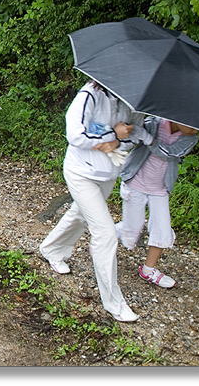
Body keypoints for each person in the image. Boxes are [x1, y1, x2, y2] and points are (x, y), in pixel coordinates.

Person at [39, 80, 147, 322]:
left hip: (108, 173)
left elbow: (136, 135)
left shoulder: (134, 100)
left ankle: (51, 249)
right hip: (80, 172)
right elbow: (74, 134)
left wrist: (118, 141)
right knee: (105, 233)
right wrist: (112, 134)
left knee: (80, 215)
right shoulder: (90, 94)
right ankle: (114, 303)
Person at [114, 117, 199, 289]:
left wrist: (149, 139)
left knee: (162, 229)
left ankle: (148, 270)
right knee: (131, 231)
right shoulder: (153, 123)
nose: (195, 129)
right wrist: (134, 133)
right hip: (136, 182)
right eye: (192, 123)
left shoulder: (190, 138)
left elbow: (170, 153)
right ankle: (103, 238)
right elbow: (128, 140)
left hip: (160, 188)